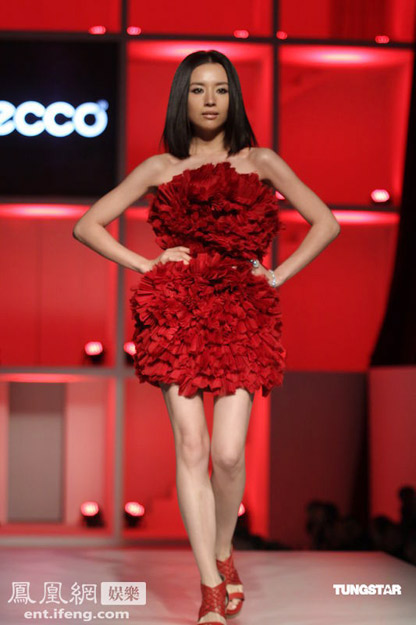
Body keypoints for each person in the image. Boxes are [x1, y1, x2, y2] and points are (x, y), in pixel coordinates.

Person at [73, 49, 341, 625]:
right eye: (198, 89)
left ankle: (223, 548)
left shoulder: (260, 161)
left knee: (228, 453)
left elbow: (327, 222)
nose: (210, 99)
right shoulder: (158, 168)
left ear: (233, 97)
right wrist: (146, 265)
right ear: (183, 98)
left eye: (220, 88)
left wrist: (276, 275)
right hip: (175, 311)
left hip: (242, 312)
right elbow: (86, 224)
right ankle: (210, 589)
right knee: (192, 447)